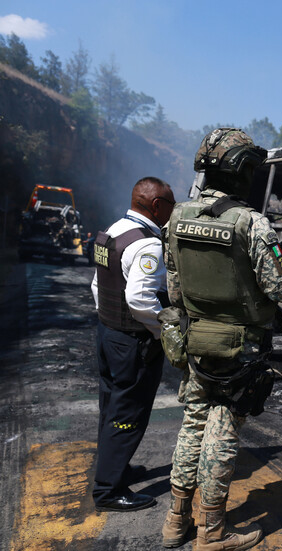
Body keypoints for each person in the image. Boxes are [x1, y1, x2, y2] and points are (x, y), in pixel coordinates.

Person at [160, 128, 282, 550]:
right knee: (222, 430)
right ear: (242, 172)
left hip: (195, 340)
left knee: (193, 423)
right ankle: (212, 531)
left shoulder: (177, 217)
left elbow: (174, 290)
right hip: (239, 348)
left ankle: (175, 520)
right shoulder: (251, 223)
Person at [90, 176, 175, 511]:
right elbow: (140, 299)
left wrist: (109, 321)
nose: (172, 211)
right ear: (156, 206)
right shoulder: (148, 245)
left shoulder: (112, 231)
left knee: (111, 406)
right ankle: (108, 491)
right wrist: (161, 331)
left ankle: (115, 468)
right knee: (128, 413)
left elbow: (98, 285)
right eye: (170, 205)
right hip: (132, 342)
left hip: (108, 333)